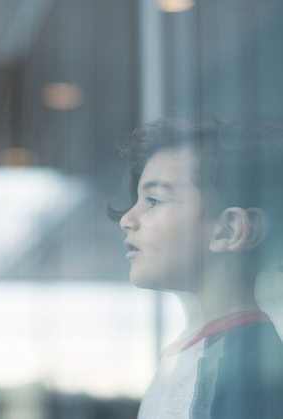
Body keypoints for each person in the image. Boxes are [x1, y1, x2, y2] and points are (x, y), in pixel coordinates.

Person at [110, 117, 283, 418]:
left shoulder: (250, 368)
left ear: (229, 231)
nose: (127, 219)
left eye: (153, 200)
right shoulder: (185, 353)